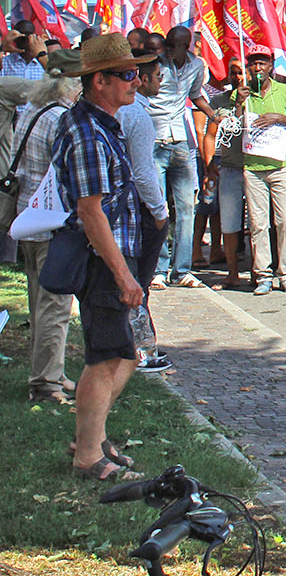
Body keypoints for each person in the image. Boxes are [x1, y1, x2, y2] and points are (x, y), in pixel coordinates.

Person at [63, 34, 154, 482]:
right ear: (99, 81)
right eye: (128, 74)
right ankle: (87, 455)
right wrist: (122, 275)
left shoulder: (103, 124)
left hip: (116, 253)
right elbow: (90, 211)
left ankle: (93, 438)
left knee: (126, 351)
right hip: (103, 258)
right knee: (106, 356)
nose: (137, 81)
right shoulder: (87, 132)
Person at [14, 52, 82, 405]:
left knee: (39, 302)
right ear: (71, 85)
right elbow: (67, 172)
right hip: (53, 222)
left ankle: (50, 371)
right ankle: (45, 382)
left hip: (27, 217)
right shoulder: (60, 118)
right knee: (54, 307)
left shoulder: (31, 110)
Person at [145, 25, 216, 288]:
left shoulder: (196, 65)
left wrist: (213, 114)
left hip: (180, 142)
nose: (172, 50)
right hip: (154, 140)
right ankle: (159, 269)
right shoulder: (154, 65)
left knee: (187, 208)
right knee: (160, 207)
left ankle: (182, 269)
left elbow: (195, 95)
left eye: (179, 46)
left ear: (187, 47)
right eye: (170, 45)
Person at [237, 48, 286, 295]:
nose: (258, 68)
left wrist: (278, 118)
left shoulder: (284, 91)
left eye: (262, 63)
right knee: (258, 224)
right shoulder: (243, 93)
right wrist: (238, 103)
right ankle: (263, 275)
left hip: (281, 165)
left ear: (270, 67)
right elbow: (234, 125)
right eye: (253, 64)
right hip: (253, 167)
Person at [118, 48, 171, 371]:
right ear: (142, 78)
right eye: (157, 77)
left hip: (128, 206)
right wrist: (159, 211)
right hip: (137, 208)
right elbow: (143, 172)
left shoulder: (129, 111)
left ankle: (138, 346)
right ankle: (140, 349)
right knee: (137, 282)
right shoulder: (136, 114)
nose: (160, 82)